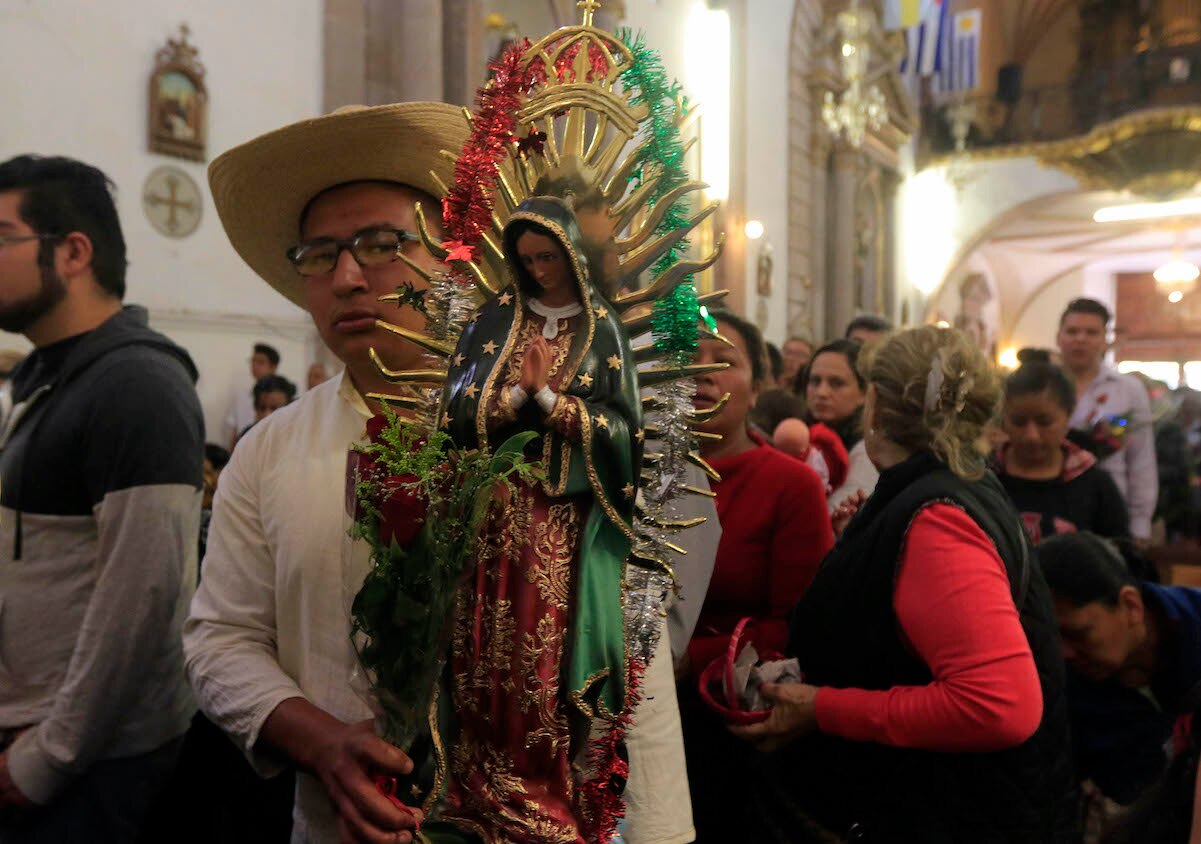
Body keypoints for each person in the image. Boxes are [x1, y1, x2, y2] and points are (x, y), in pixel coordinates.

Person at [184, 103, 691, 844]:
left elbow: (625, 657)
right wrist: (321, 741)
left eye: (384, 243)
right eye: (319, 255)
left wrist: (660, 831)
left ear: (460, 256)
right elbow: (220, 639)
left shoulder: (552, 429)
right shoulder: (268, 451)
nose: (350, 277)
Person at [735, 326, 1078, 843]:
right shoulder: (947, 484)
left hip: (944, 816)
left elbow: (998, 706)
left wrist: (822, 707)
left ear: (876, 403)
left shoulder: (936, 516)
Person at [0, 154, 204, 841]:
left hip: (95, 763)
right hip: (34, 726)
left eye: (1, 237)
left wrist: (48, 759)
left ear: (74, 251)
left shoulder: (137, 385)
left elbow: (141, 601)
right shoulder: (47, 379)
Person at [680, 307, 834, 841]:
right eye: (685, 358)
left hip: (726, 719)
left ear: (758, 385)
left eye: (723, 361)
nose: (701, 374)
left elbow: (798, 624)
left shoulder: (789, 486)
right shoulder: (630, 471)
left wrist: (685, 660)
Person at [1041, 531, 1201, 807]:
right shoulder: (1063, 690)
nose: (1063, 653)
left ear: (1131, 605)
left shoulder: (1195, 623)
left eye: (1076, 633)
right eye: (1050, 638)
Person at [995, 349, 1130, 542]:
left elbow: (1120, 557)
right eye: (1018, 422)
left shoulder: (1094, 485)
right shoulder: (985, 477)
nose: (1031, 436)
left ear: (1067, 416)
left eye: (1044, 422)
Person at [1057, 297, 1157, 540]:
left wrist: (1140, 523)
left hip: (1111, 508)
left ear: (1104, 340)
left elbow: (1141, 460)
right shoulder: (1042, 387)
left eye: (1091, 332)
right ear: (1059, 337)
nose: (1080, 339)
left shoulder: (1128, 389)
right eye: (1072, 331)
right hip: (1054, 502)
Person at [795, 338, 879, 509]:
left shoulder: (867, 450)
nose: (822, 392)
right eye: (815, 381)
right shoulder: (795, 434)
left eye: (837, 383)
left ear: (863, 393)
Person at [223, 342, 279, 449]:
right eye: (253, 361)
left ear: (273, 367)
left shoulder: (282, 397)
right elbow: (233, 433)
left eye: (260, 362)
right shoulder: (241, 397)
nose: (254, 366)